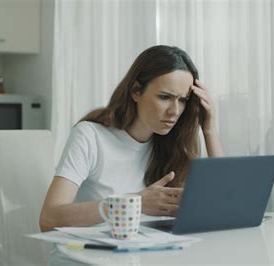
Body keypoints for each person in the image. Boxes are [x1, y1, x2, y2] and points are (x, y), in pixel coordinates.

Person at [40, 45, 224, 232]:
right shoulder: (90, 136)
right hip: (90, 256)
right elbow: (48, 219)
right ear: (136, 91)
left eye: (183, 100)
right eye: (164, 97)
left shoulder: (173, 145)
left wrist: (209, 130)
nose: (175, 111)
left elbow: (224, 206)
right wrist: (135, 203)